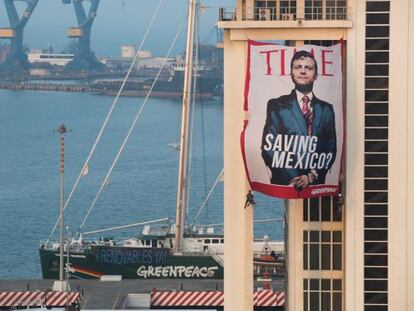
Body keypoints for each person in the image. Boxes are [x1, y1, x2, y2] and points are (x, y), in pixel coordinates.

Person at [261, 50, 336, 190]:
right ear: (291, 74)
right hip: (286, 182)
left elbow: (330, 149)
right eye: (298, 67)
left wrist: (310, 176)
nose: (303, 71)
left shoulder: (326, 109)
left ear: (316, 75)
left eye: (308, 68)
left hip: (316, 184)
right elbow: (269, 148)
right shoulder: (276, 106)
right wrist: (293, 178)